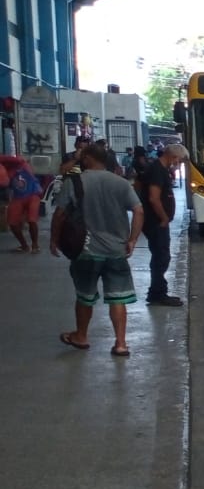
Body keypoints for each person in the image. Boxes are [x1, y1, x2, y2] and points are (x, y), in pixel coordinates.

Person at [49, 142, 143, 357]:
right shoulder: (121, 183)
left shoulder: (75, 182)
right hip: (117, 251)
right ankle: (120, 343)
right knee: (118, 298)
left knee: (85, 296)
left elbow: (60, 214)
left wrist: (54, 240)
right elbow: (138, 211)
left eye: (84, 157)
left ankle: (81, 336)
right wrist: (132, 240)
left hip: (86, 250)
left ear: (89, 159)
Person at [139, 143, 186, 307]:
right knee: (161, 256)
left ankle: (157, 291)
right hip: (155, 221)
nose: (179, 163)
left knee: (161, 256)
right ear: (173, 156)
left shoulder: (160, 169)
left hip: (156, 220)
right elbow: (153, 197)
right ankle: (158, 293)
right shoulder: (157, 170)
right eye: (179, 160)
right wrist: (163, 217)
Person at [6, 155, 44, 252]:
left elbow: (21, 160)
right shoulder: (7, 171)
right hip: (18, 197)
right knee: (12, 223)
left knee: (32, 220)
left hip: (33, 195)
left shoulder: (25, 165)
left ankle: (35, 245)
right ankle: (24, 245)